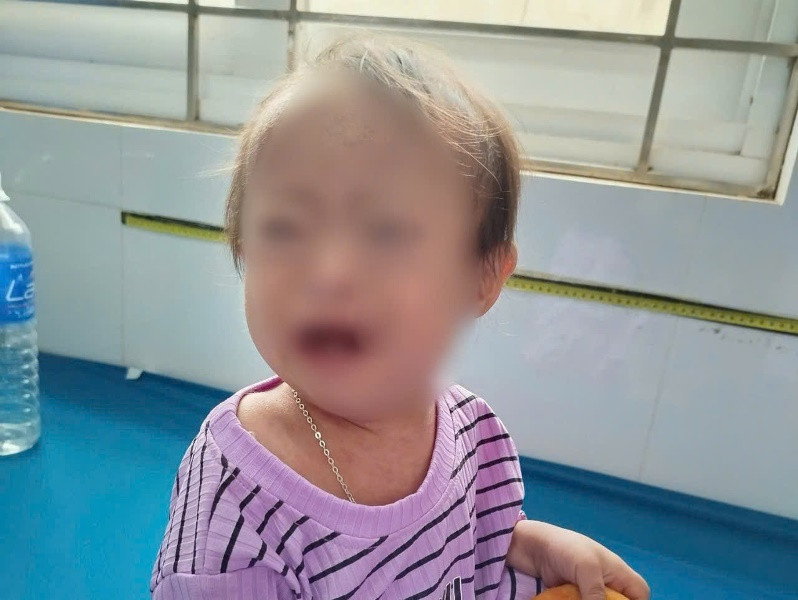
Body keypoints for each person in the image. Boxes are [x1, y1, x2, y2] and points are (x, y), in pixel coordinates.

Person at [151, 34, 650, 600]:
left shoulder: (472, 435)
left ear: (483, 277)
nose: (330, 272)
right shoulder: (238, 505)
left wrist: (530, 547)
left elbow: (466, 558)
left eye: (387, 232)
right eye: (286, 228)